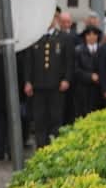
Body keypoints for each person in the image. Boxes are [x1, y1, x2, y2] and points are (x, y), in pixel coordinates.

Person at [25, 12, 74, 147]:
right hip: (38, 86)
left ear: (55, 19)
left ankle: (54, 146)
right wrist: (27, 81)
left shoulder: (64, 38)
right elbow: (28, 61)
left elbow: (69, 61)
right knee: (39, 118)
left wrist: (66, 79)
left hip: (56, 86)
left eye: (51, 18)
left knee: (55, 118)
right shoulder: (35, 37)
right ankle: (41, 146)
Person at [71, 24, 105, 119]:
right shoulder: (78, 50)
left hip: (99, 89)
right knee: (83, 114)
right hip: (83, 89)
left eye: (94, 34)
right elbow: (75, 69)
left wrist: (100, 77)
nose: (92, 37)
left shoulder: (103, 49)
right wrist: (90, 76)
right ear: (85, 36)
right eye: (88, 34)